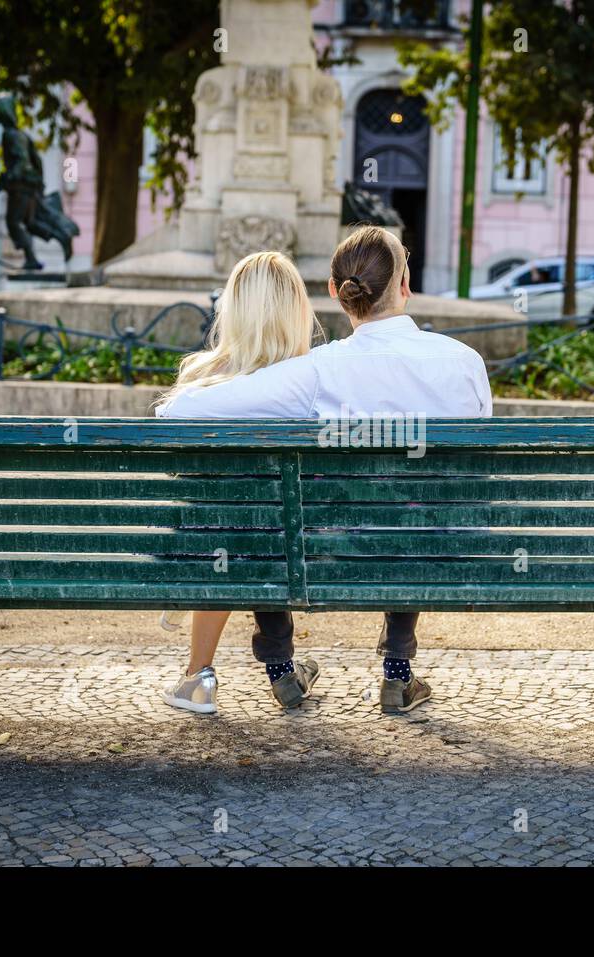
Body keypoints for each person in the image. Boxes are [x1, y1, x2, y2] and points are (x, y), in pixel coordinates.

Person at [158, 225, 492, 715]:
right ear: (405, 286)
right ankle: (397, 671)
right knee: (417, 505)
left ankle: (276, 665)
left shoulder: (317, 372)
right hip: (444, 550)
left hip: (331, 555)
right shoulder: (464, 363)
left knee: (275, 509)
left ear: (337, 294)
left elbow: (178, 413)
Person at [154, 251, 324, 714]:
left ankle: (199, 675)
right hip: (291, 546)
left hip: (202, 548)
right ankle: (281, 670)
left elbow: (169, 420)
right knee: (261, 521)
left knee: (226, 524)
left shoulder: (200, 382)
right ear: (296, 312)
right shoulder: (310, 381)